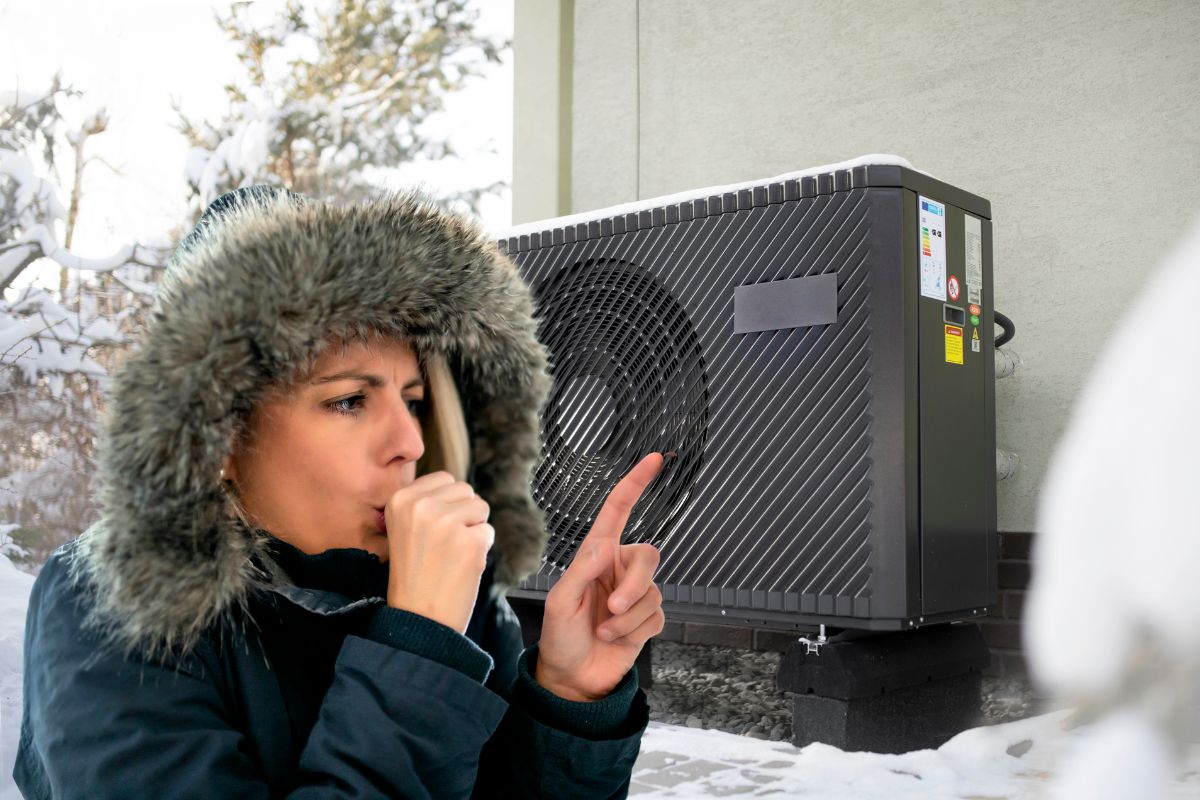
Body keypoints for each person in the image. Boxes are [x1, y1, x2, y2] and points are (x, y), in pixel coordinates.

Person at [14, 186, 667, 799]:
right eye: (349, 400)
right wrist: (416, 647)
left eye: (414, 401)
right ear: (218, 435)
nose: (409, 441)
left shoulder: (456, 599)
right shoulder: (111, 602)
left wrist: (568, 696)